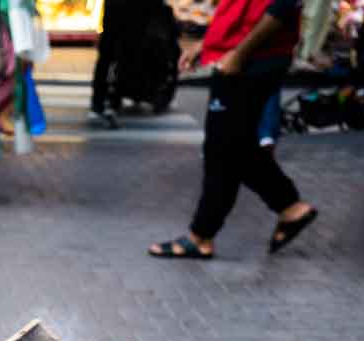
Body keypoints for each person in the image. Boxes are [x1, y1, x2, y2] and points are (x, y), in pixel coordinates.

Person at [147, 0, 319, 259]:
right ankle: (290, 207)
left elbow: (282, 6)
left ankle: (201, 236)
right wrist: (208, 42)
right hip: (243, 54)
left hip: (253, 59)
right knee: (235, 145)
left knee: (222, 148)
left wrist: (239, 53)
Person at [90, 0, 149, 128]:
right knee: (119, 58)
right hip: (126, 14)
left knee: (108, 58)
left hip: (117, 12)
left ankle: (101, 100)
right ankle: (110, 101)